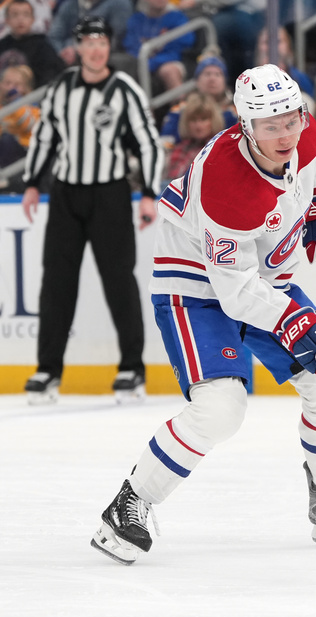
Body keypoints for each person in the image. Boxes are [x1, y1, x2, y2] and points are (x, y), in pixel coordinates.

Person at [90, 63, 316, 566]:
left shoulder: (306, 130)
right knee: (221, 407)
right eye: (269, 125)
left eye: (290, 119)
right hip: (195, 283)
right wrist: (296, 322)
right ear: (243, 125)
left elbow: (314, 173)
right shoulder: (227, 184)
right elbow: (234, 295)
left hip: (260, 279)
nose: (284, 133)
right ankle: (129, 504)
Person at [21, 17, 164, 404]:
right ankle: (48, 370)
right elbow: (45, 137)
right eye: (88, 42)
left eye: (102, 42)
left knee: (119, 281)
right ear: (78, 47)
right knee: (56, 284)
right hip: (66, 195)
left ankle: (131, 368)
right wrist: (33, 183)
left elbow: (148, 143)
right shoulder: (61, 88)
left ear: (108, 47)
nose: (96, 49)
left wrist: (150, 192)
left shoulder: (124, 90)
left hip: (110, 195)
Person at [160, 51, 238, 143]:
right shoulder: (179, 111)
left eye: (218, 74)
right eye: (207, 74)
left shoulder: (235, 113)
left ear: (225, 82)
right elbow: (165, 143)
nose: (212, 79)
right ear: (197, 81)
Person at [123, 0, 194, 96]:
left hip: (168, 61)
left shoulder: (177, 17)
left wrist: (152, 62)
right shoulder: (137, 19)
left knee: (169, 70)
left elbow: (182, 46)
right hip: (141, 63)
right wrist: (144, 61)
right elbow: (130, 46)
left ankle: (180, 108)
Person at [48, 0, 132, 68]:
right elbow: (54, 35)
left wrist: (78, 50)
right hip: (68, 57)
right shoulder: (70, 4)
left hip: (107, 55)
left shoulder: (119, 3)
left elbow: (115, 38)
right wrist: (62, 52)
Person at [0, 0, 64, 87]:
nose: (20, 19)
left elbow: (49, 78)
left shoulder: (43, 47)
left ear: (33, 19)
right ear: (7, 20)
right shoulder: (2, 45)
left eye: (26, 14)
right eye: (15, 15)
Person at [164, 92, 225, 181]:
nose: (198, 126)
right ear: (186, 122)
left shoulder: (220, 148)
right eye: (193, 120)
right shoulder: (180, 148)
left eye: (203, 119)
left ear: (213, 120)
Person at [256, 26, 315, 97]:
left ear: (288, 46)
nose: (272, 47)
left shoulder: (301, 80)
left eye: (278, 41)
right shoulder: (248, 81)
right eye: (266, 42)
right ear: (258, 47)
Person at [0, 62, 37, 168]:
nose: (11, 88)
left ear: (25, 88)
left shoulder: (31, 106)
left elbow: (29, 125)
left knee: (8, 139)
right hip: (3, 152)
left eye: (17, 85)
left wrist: (17, 104)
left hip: (24, 149)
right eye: (7, 83)